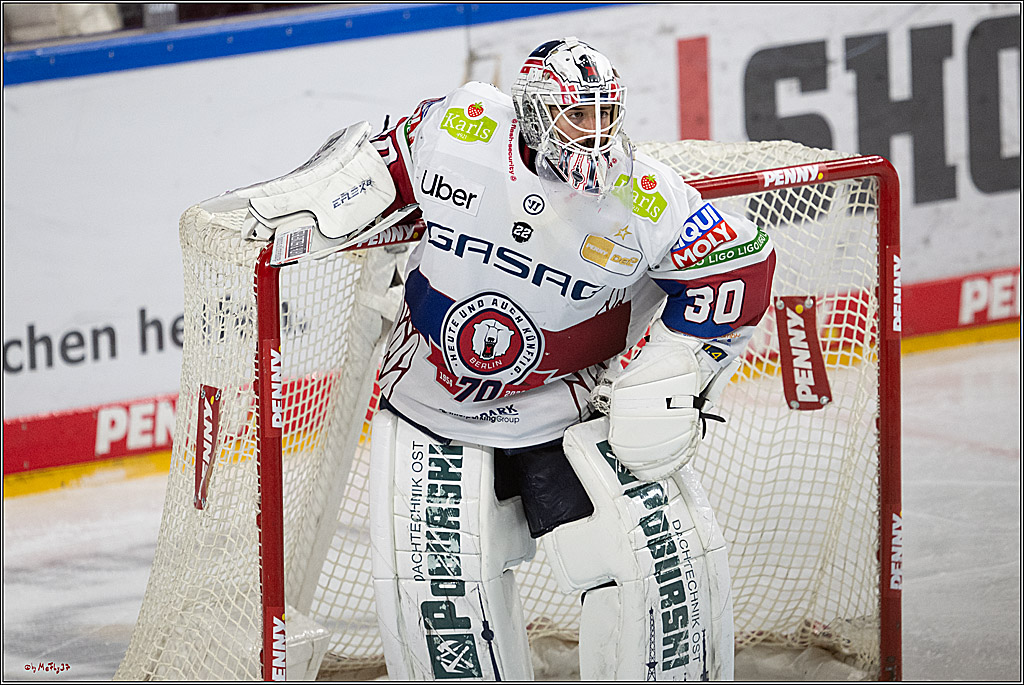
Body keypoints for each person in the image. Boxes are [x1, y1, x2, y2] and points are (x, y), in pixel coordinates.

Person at [244, 36, 775, 681]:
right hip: (432, 407)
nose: (597, 133)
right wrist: (318, 196)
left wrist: (677, 369)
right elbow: (376, 163)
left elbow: (737, 265)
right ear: (532, 112)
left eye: (606, 114)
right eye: (578, 115)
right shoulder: (462, 129)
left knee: (654, 582)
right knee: (448, 612)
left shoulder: (642, 195)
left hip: (572, 410)